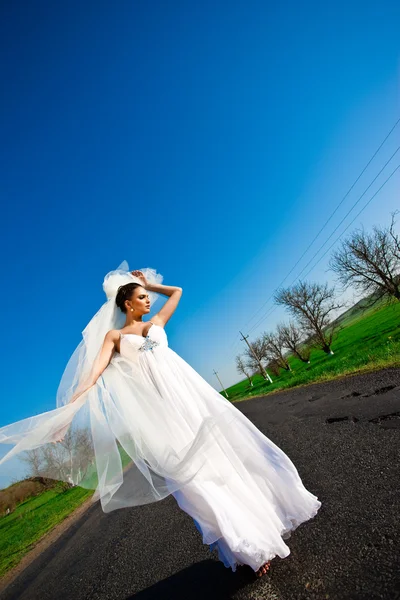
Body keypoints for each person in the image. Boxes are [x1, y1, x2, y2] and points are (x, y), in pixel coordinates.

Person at [0, 263, 321, 578]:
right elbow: (92, 375)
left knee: (221, 467)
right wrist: (67, 415)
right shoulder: (115, 337)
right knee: (193, 483)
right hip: (159, 418)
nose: (148, 301)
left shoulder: (157, 323)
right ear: (127, 304)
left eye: (147, 297)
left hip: (191, 402)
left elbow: (177, 292)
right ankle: (246, 548)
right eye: (141, 297)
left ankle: (259, 533)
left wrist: (149, 284)